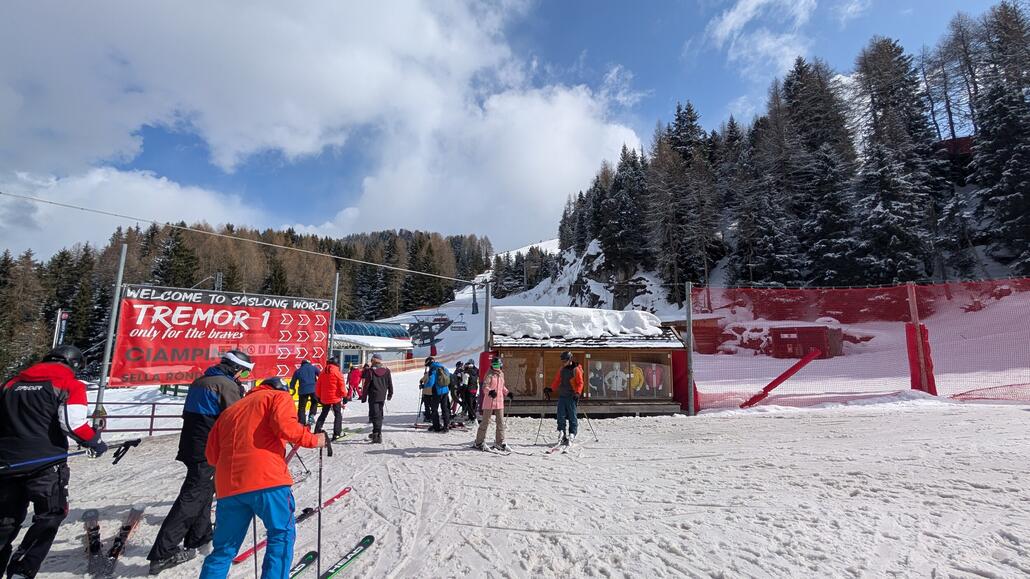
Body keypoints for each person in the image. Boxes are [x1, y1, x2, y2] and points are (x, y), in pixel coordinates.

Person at [198, 377, 325, 579]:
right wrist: (314, 440)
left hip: (228, 487)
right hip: (268, 480)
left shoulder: (230, 411)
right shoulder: (278, 397)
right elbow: (286, 427)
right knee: (281, 534)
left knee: (223, 550)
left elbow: (212, 456)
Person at [0, 345, 108, 579]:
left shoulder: (11, 384)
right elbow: (73, 424)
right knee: (50, 515)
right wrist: (94, 441)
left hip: (7, 464)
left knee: (5, 522)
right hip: (46, 465)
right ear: (74, 365)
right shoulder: (70, 385)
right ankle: (22, 568)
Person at [148, 350, 253, 575]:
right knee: (193, 497)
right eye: (242, 371)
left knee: (205, 490)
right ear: (235, 368)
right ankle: (163, 552)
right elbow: (237, 419)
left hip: (192, 445)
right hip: (208, 449)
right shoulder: (224, 385)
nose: (242, 376)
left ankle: (199, 536)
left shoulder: (202, 380)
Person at [547, 351, 584, 446]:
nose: (564, 362)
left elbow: (580, 383)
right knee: (560, 415)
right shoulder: (562, 369)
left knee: (572, 416)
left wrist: (578, 393)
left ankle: (572, 433)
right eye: (562, 361)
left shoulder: (576, 370)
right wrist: (551, 389)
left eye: (565, 360)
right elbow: (557, 380)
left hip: (572, 396)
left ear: (570, 359)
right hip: (562, 395)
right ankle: (562, 433)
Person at [473, 357, 509, 451]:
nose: (496, 367)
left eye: (497, 365)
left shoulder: (501, 374)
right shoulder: (489, 374)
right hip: (489, 402)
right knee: (485, 422)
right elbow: (485, 387)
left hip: (499, 402)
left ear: (501, 365)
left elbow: (502, 387)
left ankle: (499, 442)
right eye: (494, 365)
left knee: (500, 422)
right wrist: (490, 392)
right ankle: (479, 442)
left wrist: (507, 393)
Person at [359, 354, 393, 444]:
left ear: (374, 361)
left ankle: (376, 434)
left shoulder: (370, 371)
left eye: (371, 360)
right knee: (379, 415)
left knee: (374, 415)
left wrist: (364, 396)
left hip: (373, 396)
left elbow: (366, 385)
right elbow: (390, 383)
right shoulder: (387, 371)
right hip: (382, 396)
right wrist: (390, 394)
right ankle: (377, 433)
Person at [313, 356, 346, 440]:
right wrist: (344, 395)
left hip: (325, 397)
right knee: (338, 415)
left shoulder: (323, 372)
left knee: (323, 414)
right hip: (336, 398)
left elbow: (318, 385)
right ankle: (337, 433)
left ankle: (317, 431)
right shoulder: (337, 372)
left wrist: (318, 396)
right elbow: (341, 385)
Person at [423, 357, 451, 432]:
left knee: (434, 409)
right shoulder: (442, 366)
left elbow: (431, 382)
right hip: (445, 391)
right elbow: (448, 375)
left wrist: (423, 386)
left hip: (437, 392)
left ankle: (436, 427)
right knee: (445, 408)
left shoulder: (433, 370)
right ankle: (446, 426)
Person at [289, 360, 320, 426]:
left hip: (303, 391)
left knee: (302, 407)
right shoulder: (313, 368)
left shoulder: (298, 370)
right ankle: (311, 415)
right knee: (314, 402)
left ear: (302, 364)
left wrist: (293, 388)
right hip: (313, 389)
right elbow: (320, 375)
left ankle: (302, 422)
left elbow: (293, 382)